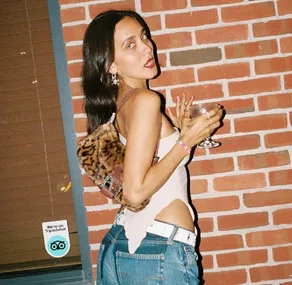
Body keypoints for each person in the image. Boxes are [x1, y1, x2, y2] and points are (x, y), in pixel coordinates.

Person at [81, 9, 223, 285]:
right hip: (157, 252)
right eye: (130, 45)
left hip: (125, 244)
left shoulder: (121, 104)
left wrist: (182, 135)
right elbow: (135, 193)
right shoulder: (146, 100)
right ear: (111, 65)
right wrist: (186, 141)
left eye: (144, 37)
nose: (147, 47)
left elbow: (150, 171)